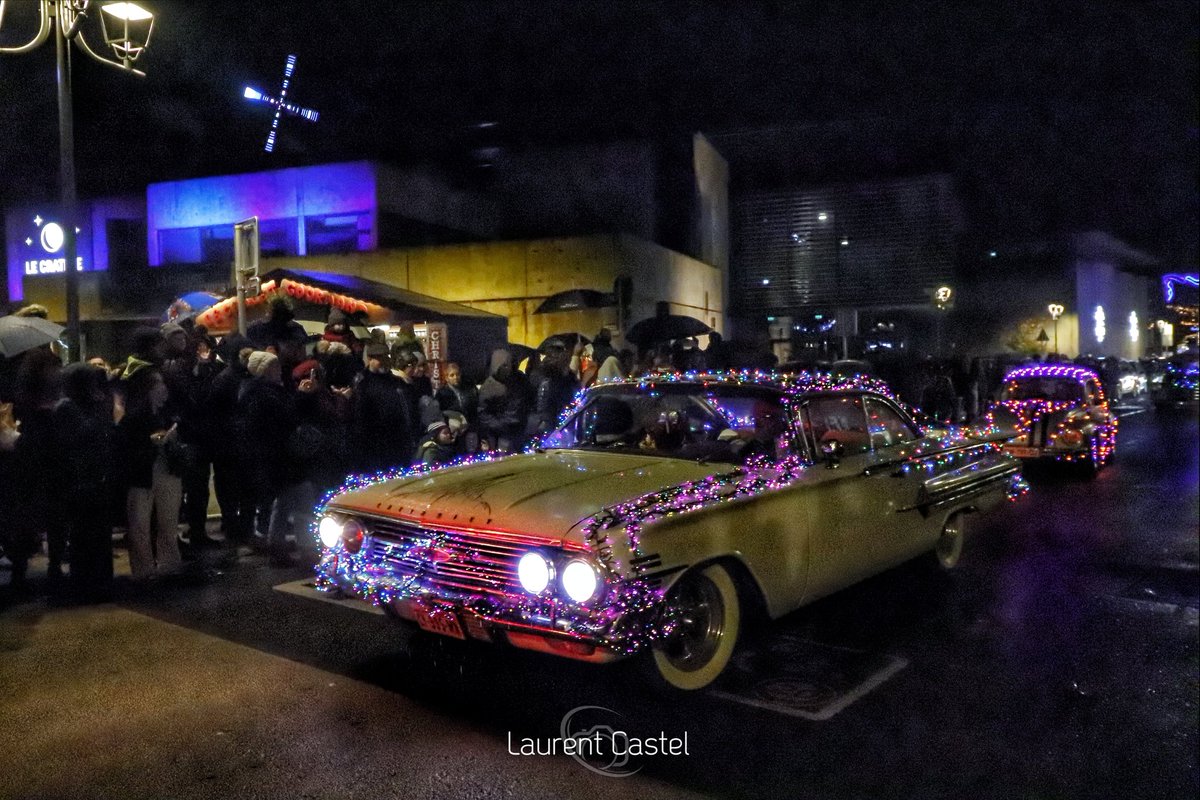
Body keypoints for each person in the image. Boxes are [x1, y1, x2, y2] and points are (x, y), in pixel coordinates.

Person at [54, 363, 117, 602]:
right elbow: (85, 434)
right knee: (85, 535)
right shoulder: (67, 408)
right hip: (80, 482)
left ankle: (99, 582)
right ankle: (87, 584)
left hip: (94, 478)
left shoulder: (83, 405)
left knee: (98, 534)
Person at [118, 364, 183, 582]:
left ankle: (169, 564)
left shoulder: (167, 412)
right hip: (142, 474)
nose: (163, 387)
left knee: (168, 521)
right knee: (140, 525)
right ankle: (144, 570)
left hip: (167, 469)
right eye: (158, 383)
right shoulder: (134, 417)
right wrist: (151, 441)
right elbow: (125, 448)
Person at [352, 343, 415, 472]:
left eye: (386, 357)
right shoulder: (363, 383)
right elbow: (360, 416)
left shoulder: (397, 381)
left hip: (398, 440)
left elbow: (407, 408)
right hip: (375, 443)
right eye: (379, 358)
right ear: (370, 359)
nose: (384, 361)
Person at [478, 348, 530, 452]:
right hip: (502, 433)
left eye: (508, 364)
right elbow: (483, 413)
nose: (507, 368)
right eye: (504, 366)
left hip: (520, 428)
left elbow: (528, 397)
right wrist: (500, 425)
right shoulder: (489, 387)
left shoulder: (519, 379)